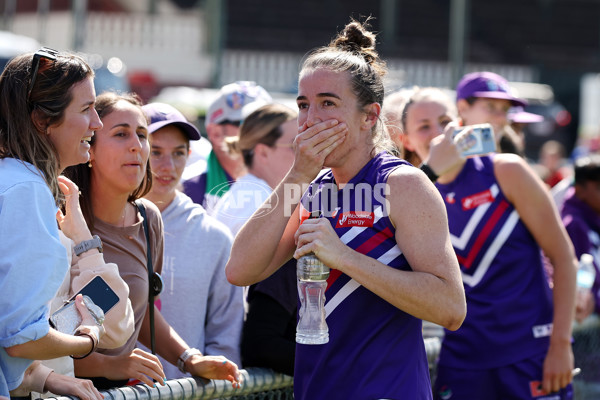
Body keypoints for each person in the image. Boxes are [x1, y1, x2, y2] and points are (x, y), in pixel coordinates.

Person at [226, 20, 466, 400]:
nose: (310, 119)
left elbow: (450, 307)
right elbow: (240, 270)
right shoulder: (310, 187)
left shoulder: (402, 184)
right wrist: (299, 173)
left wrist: (344, 257)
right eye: (303, 105)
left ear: (369, 116)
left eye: (328, 103)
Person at [398, 86, 577, 399]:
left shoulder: (506, 170)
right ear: (407, 141)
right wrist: (429, 175)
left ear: (463, 123)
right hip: (460, 363)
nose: (439, 133)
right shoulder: (406, 196)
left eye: (445, 120)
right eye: (424, 126)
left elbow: (563, 258)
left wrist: (561, 345)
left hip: (530, 353)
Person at [63, 92, 241, 390]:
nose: (137, 146)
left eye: (142, 135)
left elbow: (139, 310)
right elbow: (45, 334)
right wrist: (111, 364)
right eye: (121, 134)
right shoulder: (62, 217)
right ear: (89, 148)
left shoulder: (148, 219)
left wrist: (188, 359)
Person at [0, 48, 138, 400]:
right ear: (43, 120)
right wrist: (86, 341)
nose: (97, 123)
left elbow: (117, 320)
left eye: (143, 133)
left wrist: (84, 241)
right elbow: (22, 338)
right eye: (121, 134)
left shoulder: (47, 198)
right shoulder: (26, 190)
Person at [141, 102, 244, 379]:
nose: (168, 166)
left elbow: (225, 337)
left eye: (179, 153)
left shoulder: (214, 237)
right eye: (156, 152)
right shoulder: (101, 226)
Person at [211, 103, 298, 375]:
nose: (304, 154)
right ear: (262, 151)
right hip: (239, 354)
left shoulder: (248, 196)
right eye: (294, 146)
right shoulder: (260, 203)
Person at [182, 81, 272, 213]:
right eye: (249, 123)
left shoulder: (281, 181)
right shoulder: (188, 187)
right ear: (216, 134)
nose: (263, 132)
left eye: (269, 123)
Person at [456, 71, 527, 155]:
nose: (501, 117)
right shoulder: (441, 154)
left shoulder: (512, 157)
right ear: (463, 108)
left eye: (505, 109)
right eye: (490, 106)